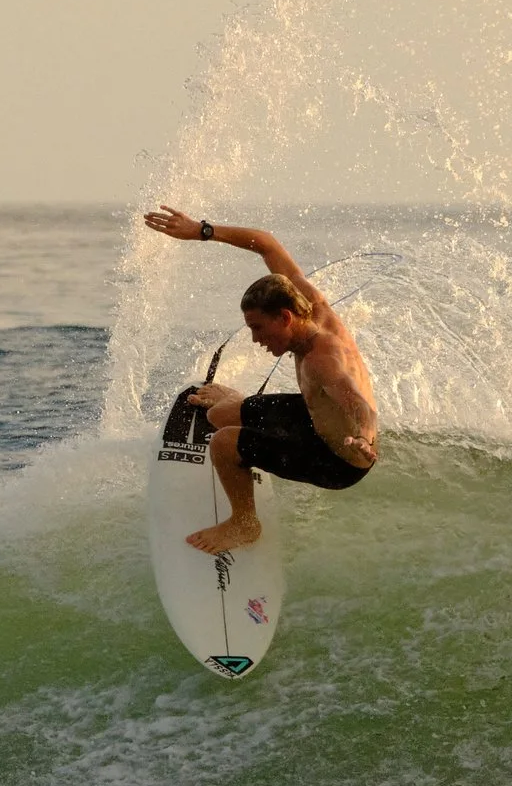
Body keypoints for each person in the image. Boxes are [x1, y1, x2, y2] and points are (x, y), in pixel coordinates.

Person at [141, 206, 381, 551]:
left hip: (338, 458)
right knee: (218, 415)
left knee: (223, 442)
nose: (255, 339)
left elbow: (359, 405)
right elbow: (267, 244)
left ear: (284, 317)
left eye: (258, 328)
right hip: (319, 416)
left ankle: (244, 523)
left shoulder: (322, 360)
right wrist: (201, 231)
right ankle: (238, 405)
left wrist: (363, 439)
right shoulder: (308, 304)